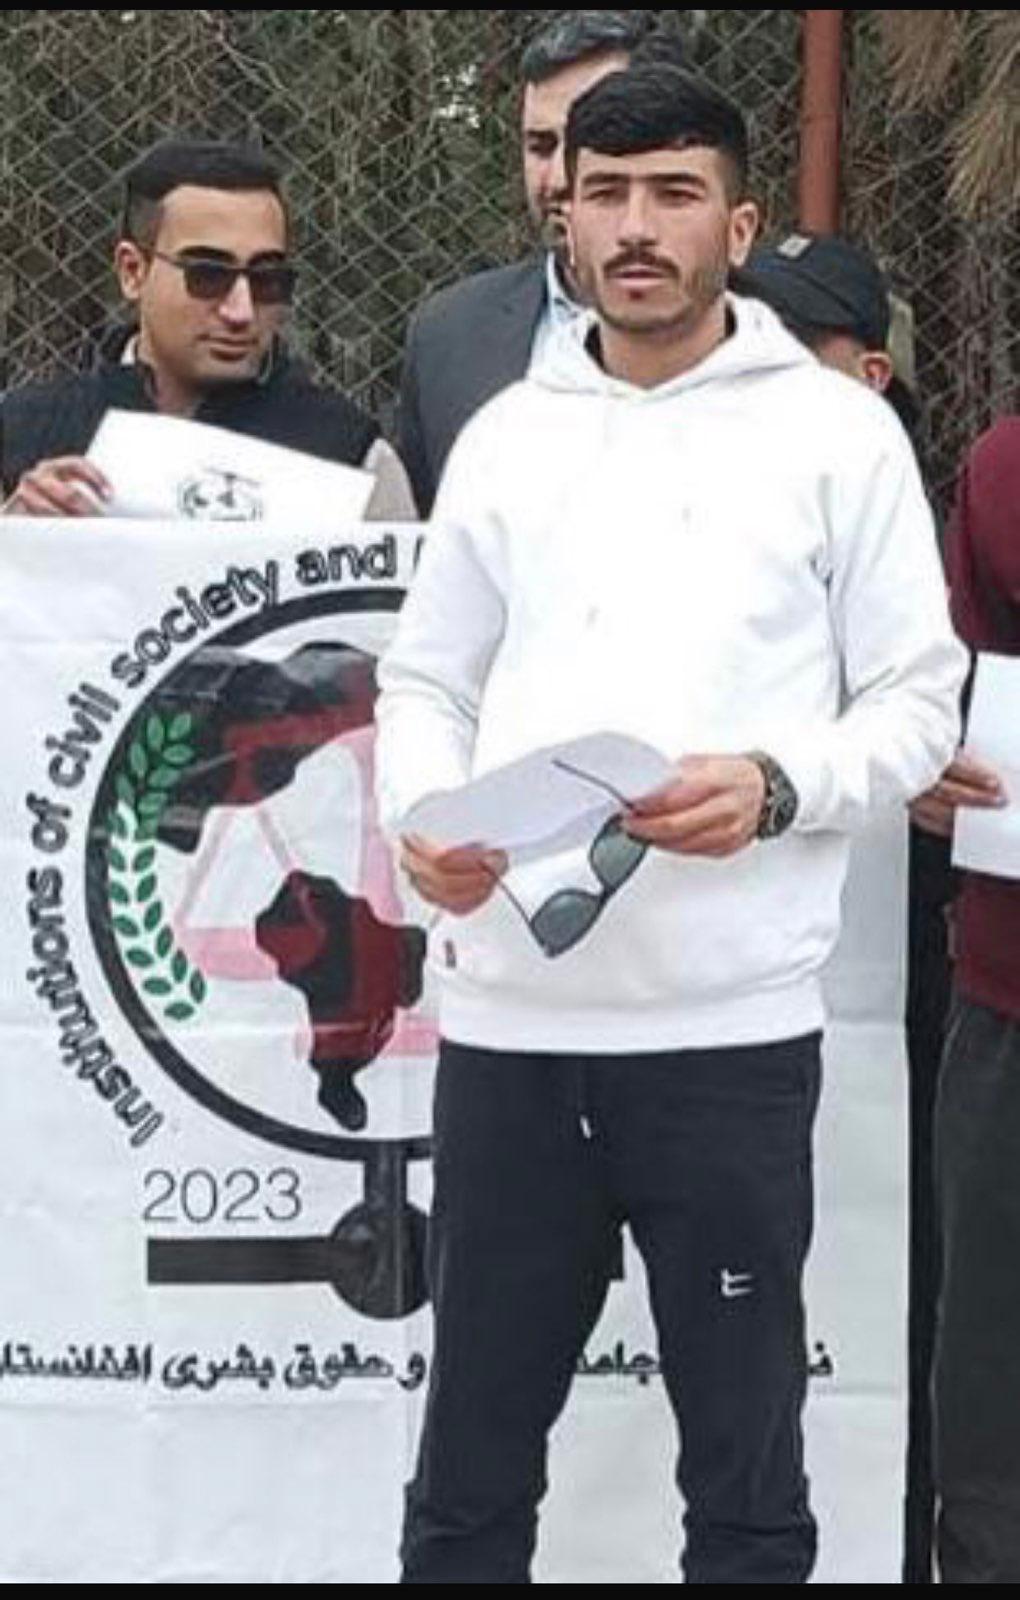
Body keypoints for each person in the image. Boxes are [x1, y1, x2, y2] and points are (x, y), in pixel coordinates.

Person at [376, 64, 966, 1583]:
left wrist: (776, 786)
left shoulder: (837, 438)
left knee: (748, 1485)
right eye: (607, 195)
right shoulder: (507, 436)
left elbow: (917, 702)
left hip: (725, 1042)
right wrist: (423, 821)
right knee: (468, 1480)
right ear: (564, 218)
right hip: (510, 1036)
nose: (638, 227)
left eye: (675, 193)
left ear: (739, 225)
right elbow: (426, 679)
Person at [0, 138, 414, 520]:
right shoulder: (23, 433)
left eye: (267, 279)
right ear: (133, 271)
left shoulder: (350, 456)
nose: (241, 310)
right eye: (208, 275)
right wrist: (17, 536)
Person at [396, 10, 660, 515]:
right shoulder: (449, 337)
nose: (558, 178)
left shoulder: (765, 340)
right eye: (540, 146)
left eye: (585, 142)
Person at [910, 417, 1020, 1583]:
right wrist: (929, 760)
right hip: (1010, 998)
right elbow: (948, 684)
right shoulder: (1004, 471)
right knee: (992, 1381)